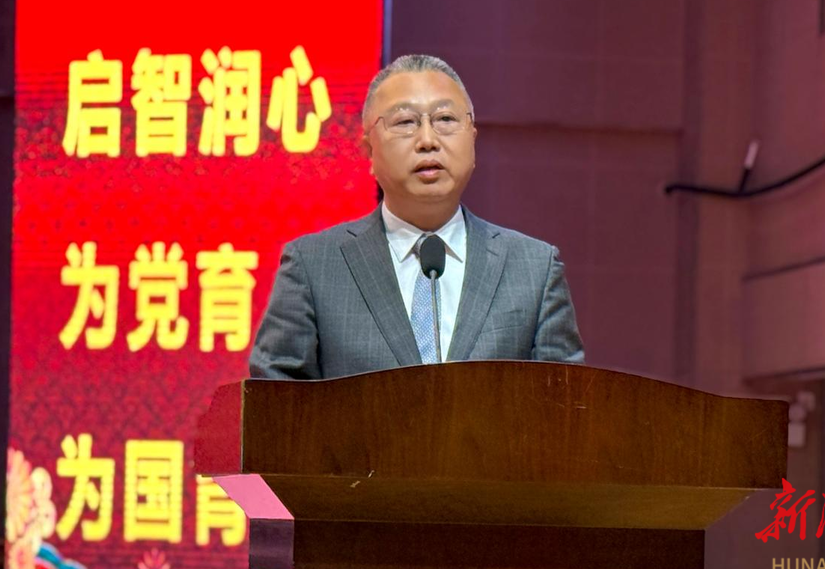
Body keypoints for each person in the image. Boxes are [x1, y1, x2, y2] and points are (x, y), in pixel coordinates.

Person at [249, 54, 585, 380]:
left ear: (472, 138)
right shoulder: (314, 266)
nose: (428, 140)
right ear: (368, 150)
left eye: (445, 119)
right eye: (405, 122)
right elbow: (274, 401)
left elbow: (566, 403)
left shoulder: (534, 268)